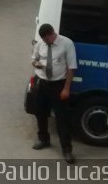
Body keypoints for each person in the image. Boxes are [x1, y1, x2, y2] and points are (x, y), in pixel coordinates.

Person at [31, 23, 77, 164]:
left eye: (47, 39)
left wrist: (66, 88)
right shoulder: (40, 44)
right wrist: (36, 64)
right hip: (42, 83)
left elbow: (72, 68)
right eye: (43, 40)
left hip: (58, 85)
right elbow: (34, 59)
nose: (45, 42)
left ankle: (67, 150)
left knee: (61, 118)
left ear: (52, 34)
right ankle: (44, 139)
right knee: (40, 113)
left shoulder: (67, 44)